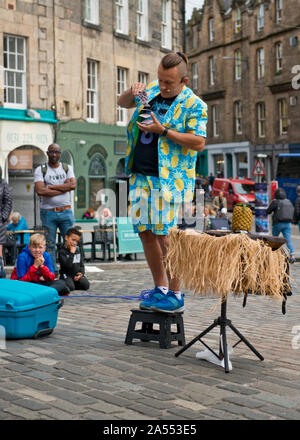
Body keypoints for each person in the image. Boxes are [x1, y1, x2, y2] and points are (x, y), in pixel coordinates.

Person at [118, 51, 207, 313]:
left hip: (169, 180)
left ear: (184, 81)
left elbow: (199, 142)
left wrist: (164, 131)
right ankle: (161, 288)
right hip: (140, 174)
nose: (163, 86)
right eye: (160, 79)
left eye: (169, 82)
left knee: (165, 235)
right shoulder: (153, 91)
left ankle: (176, 294)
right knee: (145, 231)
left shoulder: (194, 105)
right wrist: (132, 91)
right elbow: (123, 103)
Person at [34, 143, 76, 275]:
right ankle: (52, 271)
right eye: (51, 152)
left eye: (56, 152)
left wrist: (51, 187)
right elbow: (40, 190)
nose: (54, 155)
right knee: (49, 244)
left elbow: (73, 185)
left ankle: (69, 271)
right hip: (48, 213)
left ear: (60, 154)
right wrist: (64, 188)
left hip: (66, 211)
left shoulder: (66, 168)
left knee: (70, 243)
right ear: (47, 153)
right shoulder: (40, 170)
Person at [267, 188, 296, 263]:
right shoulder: (288, 201)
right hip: (288, 224)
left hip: (278, 223)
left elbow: (268, 211)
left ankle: (273, 253)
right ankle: (292, 255)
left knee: (274, 238)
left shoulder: (275, 202)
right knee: (288, 240)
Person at [58, 227, 90, 291]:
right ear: (66, 238)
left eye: (77, 241)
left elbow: (81, 264)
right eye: (73, 240)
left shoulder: (77, 250)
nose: (75, 243)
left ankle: (72, 283)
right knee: (71, 287)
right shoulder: (62, 251)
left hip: (75, 275)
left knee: (86, 285)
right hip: (66, 274)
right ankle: (65, 282)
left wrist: (81, 273)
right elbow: (68, 265)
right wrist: (71, 254)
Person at [0, 166, 13, 278]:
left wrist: (3, 217)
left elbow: (8, 201)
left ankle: (1, 274)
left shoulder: (3, 184)